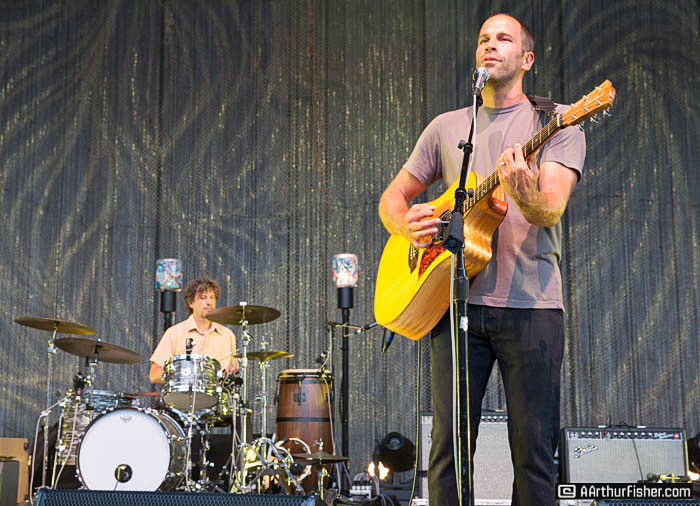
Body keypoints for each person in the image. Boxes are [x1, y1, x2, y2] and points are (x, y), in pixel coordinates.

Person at [378, 13, 586, 506]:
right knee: (447, 451)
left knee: (533, 452)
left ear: (527, 59)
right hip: (454, 304)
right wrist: (404, 224)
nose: (490, 45)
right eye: (484, 39)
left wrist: (524, 190)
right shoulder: (448, 126)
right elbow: (392, 198)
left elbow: (550, 209)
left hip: (532, 307)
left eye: (503, 39)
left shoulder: (556, 121)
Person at [150, 276, 238, 384]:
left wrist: (232, 374)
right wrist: (182, 375)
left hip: (217, 393)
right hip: (183, 393)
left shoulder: (228, 335)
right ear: (191, 303)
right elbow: (154, 374)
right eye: (203, 297)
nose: (209, 302)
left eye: (212, 297)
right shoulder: (174, 333)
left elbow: (233, 372)